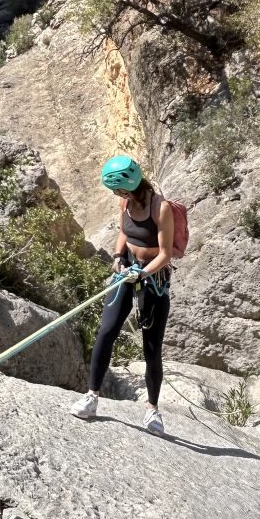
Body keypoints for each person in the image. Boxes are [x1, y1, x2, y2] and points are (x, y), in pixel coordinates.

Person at [71, 155, 173, 436]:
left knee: (151, 348)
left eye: (119, 190)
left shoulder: (160, 208)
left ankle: (152, 411)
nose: (117, 196)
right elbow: (124, 233)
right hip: (127, 272)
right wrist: (118, 256)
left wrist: (142, 274)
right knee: (106, 332)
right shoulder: (125, 203)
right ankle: (92, 396)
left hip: (154, 281)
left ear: (129, 187)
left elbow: (166, 254)